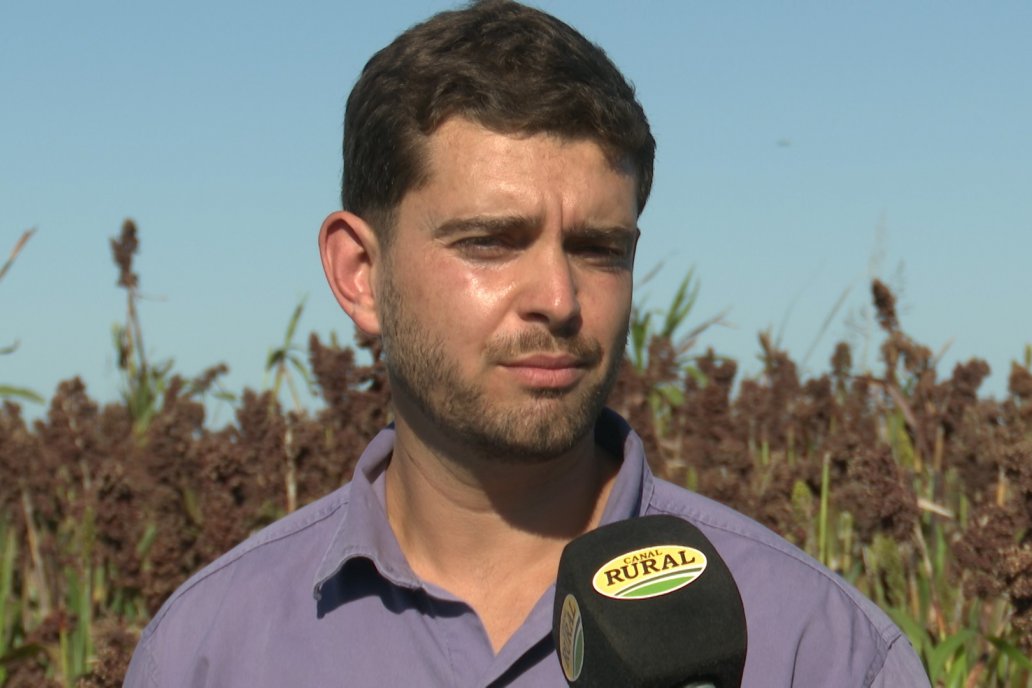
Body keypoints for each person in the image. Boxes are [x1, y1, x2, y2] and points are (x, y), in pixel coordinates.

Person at [124, 1, 931, 686]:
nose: (559, 299)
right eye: (491, 242)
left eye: (598, 248)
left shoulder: (815, 647)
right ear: (360, 273)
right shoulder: (210, 650)